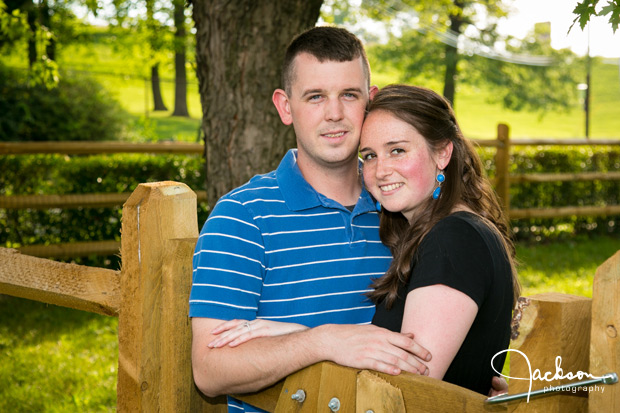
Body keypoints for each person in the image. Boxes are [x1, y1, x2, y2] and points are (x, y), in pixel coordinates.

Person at [213, 84, 519, 396]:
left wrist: (309, 338)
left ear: (442, 153)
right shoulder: (440, 234)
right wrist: (306, 337)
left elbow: (406, 384)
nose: (381, 170)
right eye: (370, 155)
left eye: (397, 150)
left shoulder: (454, 239)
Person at [189, 26, 431, 413]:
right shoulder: (243, 217)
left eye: (348, 95)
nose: (334, 114)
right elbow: (210, 368)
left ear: (369, 102)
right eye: (315, 96)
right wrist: (323, 341)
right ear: (285, 107)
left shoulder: (399, 209)